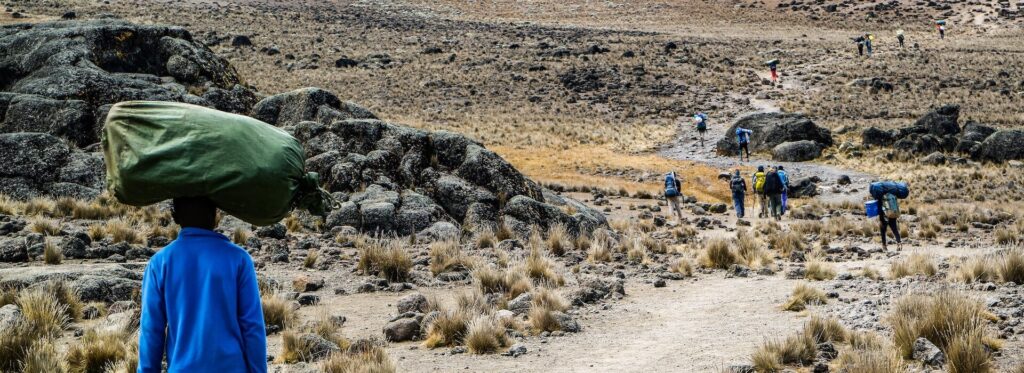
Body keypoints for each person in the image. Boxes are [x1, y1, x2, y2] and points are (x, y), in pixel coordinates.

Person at [140, 197, 267, 373]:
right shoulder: (238, 259)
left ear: (175, 216)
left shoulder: (159, 263)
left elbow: (151, 330)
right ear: (215, 215)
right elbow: (252, 327)